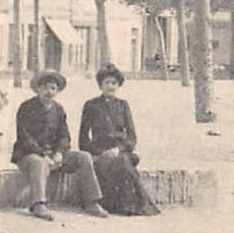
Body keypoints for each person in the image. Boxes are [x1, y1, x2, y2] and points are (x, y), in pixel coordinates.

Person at [11, 70, 107, 221]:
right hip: (29, 154)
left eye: (53, 88)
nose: (49, 92)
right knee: (39, 163)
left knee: (84, 157)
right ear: (38, 89)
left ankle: (91, 201)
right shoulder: (26, 107)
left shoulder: (59, 110)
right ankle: (38, 204)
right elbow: (24, 137)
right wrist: (43, 154)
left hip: (54, 155)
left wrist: (59, 153)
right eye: (45, 88)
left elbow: (64, 136)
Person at [78, 65, 161, 216]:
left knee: (122, 161)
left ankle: (127, 206)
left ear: (118, 85)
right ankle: (129, 205)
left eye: (114, 83)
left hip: (120, 151)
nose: (110, 86)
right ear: (100, 85)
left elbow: (132, 138)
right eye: (107, 83)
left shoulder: (123, 106)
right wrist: (98, 152)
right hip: (100, 152)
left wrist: (118, 149)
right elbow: (83, 138)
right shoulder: (91, 105)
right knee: (120, 164)